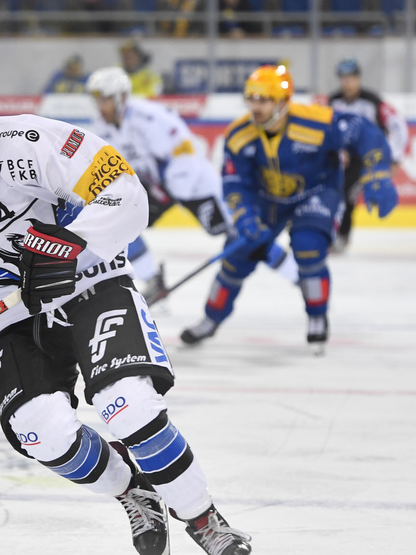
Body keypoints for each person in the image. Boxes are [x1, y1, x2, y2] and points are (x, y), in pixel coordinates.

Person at [0, 50, 254, 555]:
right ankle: (132, 490)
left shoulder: (32, 140)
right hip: (12, 320)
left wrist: (66, 246)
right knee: (39, 431)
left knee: (127, 405)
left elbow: (125, 195)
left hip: (94, 288)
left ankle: (203, 518)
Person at [180, 65, 397, 352]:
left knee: (308, 247)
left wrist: (379, 171)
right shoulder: (239, 135)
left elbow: (364, 132)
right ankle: (210, 318)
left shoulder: (317, 121)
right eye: (252, 99)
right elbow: (235, 184)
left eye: (264, 99)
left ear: (283, 102)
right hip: (266, 199)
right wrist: (244, 217)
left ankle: (317, 317)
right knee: (236, 257)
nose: (256, 107)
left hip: (316, 192)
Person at [85, 66, 298, 301]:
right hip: (158, 187)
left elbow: (185, 150)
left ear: (121, 97)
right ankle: (152, 280)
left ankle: (298, 276)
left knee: (244, 235)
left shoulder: (149, 117)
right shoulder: (102, 126)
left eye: (104, 99)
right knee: (120, 221)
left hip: (194, 184)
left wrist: (172, 186)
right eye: (97, 99)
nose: (100, 106)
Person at [327, 57, 408, 252]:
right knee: (330, 193)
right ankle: (329, 234)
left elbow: (397, 126)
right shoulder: (333, 100)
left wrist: (394, 157)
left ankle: (342, 236)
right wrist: (337, 150)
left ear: (358, 79)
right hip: (340, 159)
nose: (347, 82)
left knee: (346, 193)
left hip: (366, 159)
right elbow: (326, 129)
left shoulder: (373, 101)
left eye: (351, 78)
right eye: (343, 78)